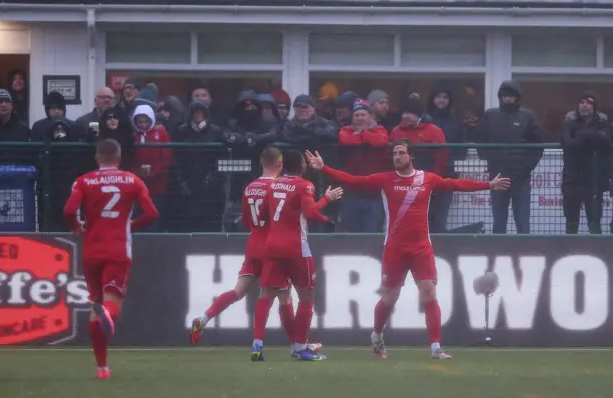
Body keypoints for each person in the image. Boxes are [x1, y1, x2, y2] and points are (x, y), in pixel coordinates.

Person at [304, 139, 510, 360]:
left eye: (401, 153)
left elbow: (454, 184)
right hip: (395, 249)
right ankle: (377, 336)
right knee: (388, 299)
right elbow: (355, 181)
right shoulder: (385, 179)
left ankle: (436, 348)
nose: (397, 157)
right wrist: (323, 168)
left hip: (422, 247)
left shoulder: (427, 179)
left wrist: (488, 185)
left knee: (429, 292)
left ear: (411, 156)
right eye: (394, 153)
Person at [189, 147, 322, 357]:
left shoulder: (250, 187)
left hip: (254, 244)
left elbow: (245, 219)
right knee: (284, 298)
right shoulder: (278, 186)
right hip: (275, 246)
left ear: (262, 163)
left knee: (238, 291)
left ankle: (204, 319)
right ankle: (297, 346)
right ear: (280, 165)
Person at [62, 139, 158, 380]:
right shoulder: (133, 180)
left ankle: (102, 368)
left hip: (91, 251)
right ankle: (107, 312)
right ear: (119, 157)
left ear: (97, 157)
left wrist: (76, 226)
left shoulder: (84, 181)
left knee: (95, 304)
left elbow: (68, 210)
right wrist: (130, 225)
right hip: (118, 249)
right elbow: (152, 213)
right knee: (112, 300)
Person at [253, 150, 343, 362]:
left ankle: (256, 344)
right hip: (296, 248)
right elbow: (310, 212)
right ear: (303, 167)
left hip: (272, 246)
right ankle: (300, 347)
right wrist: (327, 200)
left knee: (266, 295)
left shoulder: (273, 184)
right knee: (306, 296)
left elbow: (264, 212)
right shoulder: (305, 186)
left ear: (283, 166)